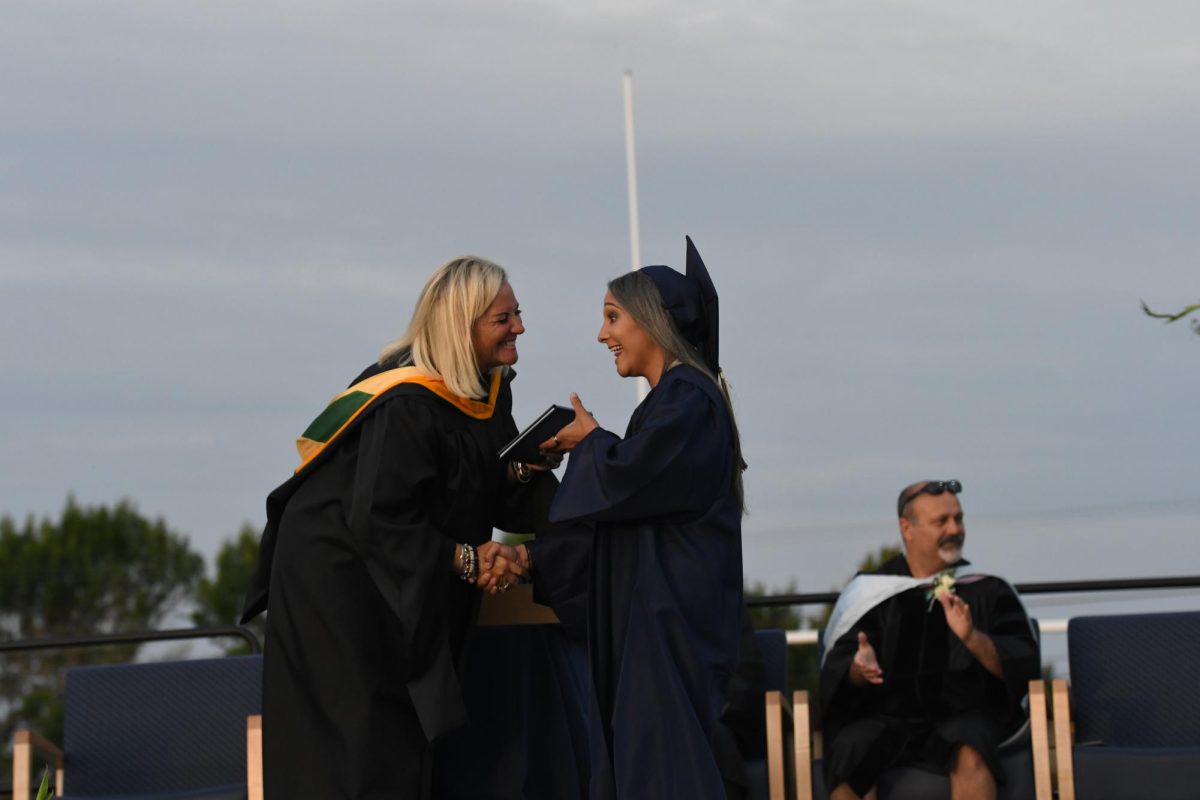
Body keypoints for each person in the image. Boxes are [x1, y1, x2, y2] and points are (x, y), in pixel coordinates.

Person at [239, 256, 558, 799]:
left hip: (397, 578)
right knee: (358, 745)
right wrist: (467, 559)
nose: (519, 328)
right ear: (464, 325)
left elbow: (482, 488)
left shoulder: (486, 388)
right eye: (503, 319)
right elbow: (379, 515)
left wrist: (530, 463)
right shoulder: (405, 398)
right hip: (340, 588)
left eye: (517, 314)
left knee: (401, 746)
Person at [517, 236, 748, 799]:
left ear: (654, 321)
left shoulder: (688, 399)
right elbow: (633, 509)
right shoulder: (673, 401)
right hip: (656, 625)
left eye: (613, 317)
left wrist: (592, 441)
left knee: (668, 777)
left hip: (671, 628)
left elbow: (629, 478)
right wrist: (531, 557)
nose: (603, 335)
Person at [819, 480, 1040, 800]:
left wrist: (973, 638)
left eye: (959, 519)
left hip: (963, 719)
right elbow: (837, 675)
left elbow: (1023, 663)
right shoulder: (871, 593)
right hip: (885, 721)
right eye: (942, 521)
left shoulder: (988, 589)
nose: (955, 529)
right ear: (906, 528)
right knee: (851, 752)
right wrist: (857, 668)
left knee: (971, 750)